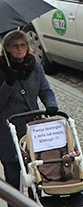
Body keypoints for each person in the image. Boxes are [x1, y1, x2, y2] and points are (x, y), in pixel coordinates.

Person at [0, 31, 58, 191]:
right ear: (7, 49)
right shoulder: (2, 69)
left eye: (23, 45)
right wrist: (8, 83)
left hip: (33, 127)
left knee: (36, 175)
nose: (19, 49)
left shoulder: (35, 66)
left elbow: (45, 90)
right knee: (13, 178)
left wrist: (51, 105)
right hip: (8, 129)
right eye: (15, 46)